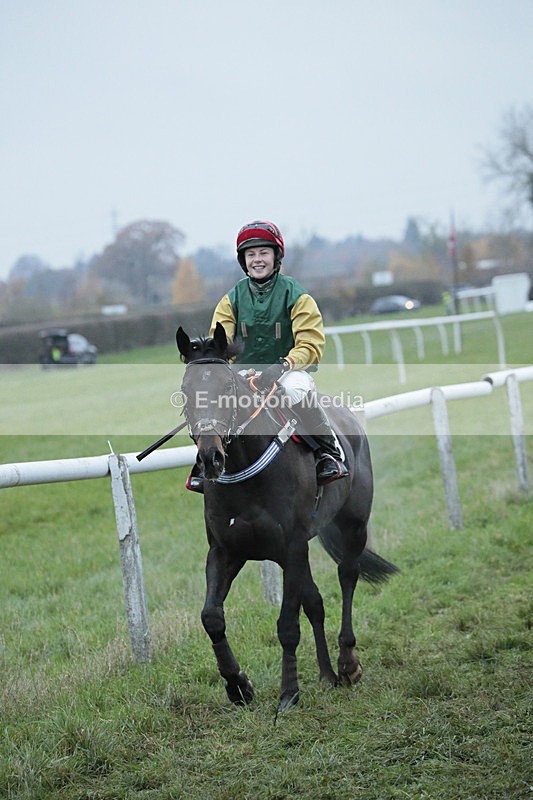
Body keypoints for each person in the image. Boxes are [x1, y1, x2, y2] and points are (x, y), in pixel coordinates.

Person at [187, 220, 348, 492]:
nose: (257, 260)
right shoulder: (231, 299)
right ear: (243, 260)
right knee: (213, 395)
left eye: (263, 253)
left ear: (276, 256)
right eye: (251, 255)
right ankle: (208, 462)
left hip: (289, 371)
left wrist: (283, 365)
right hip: (243, 373)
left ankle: (327, 453)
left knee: (295, 389)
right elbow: (219, 341)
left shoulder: (297, 295)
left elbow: (311, 343)